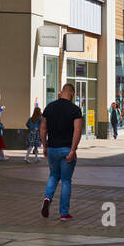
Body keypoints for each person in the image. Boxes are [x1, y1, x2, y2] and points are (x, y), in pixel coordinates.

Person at [39, 83, 84, 221]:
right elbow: (77, 131)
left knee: (53, 175)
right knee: (65, 181)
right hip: (66, 149)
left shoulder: (49, 107)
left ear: (61, 92)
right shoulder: (75, 110)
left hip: (52, 148)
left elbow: (43, 129)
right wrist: (73, 149)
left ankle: (47, 198)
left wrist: (45, 146)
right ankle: (63, 213)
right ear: (71, 93)